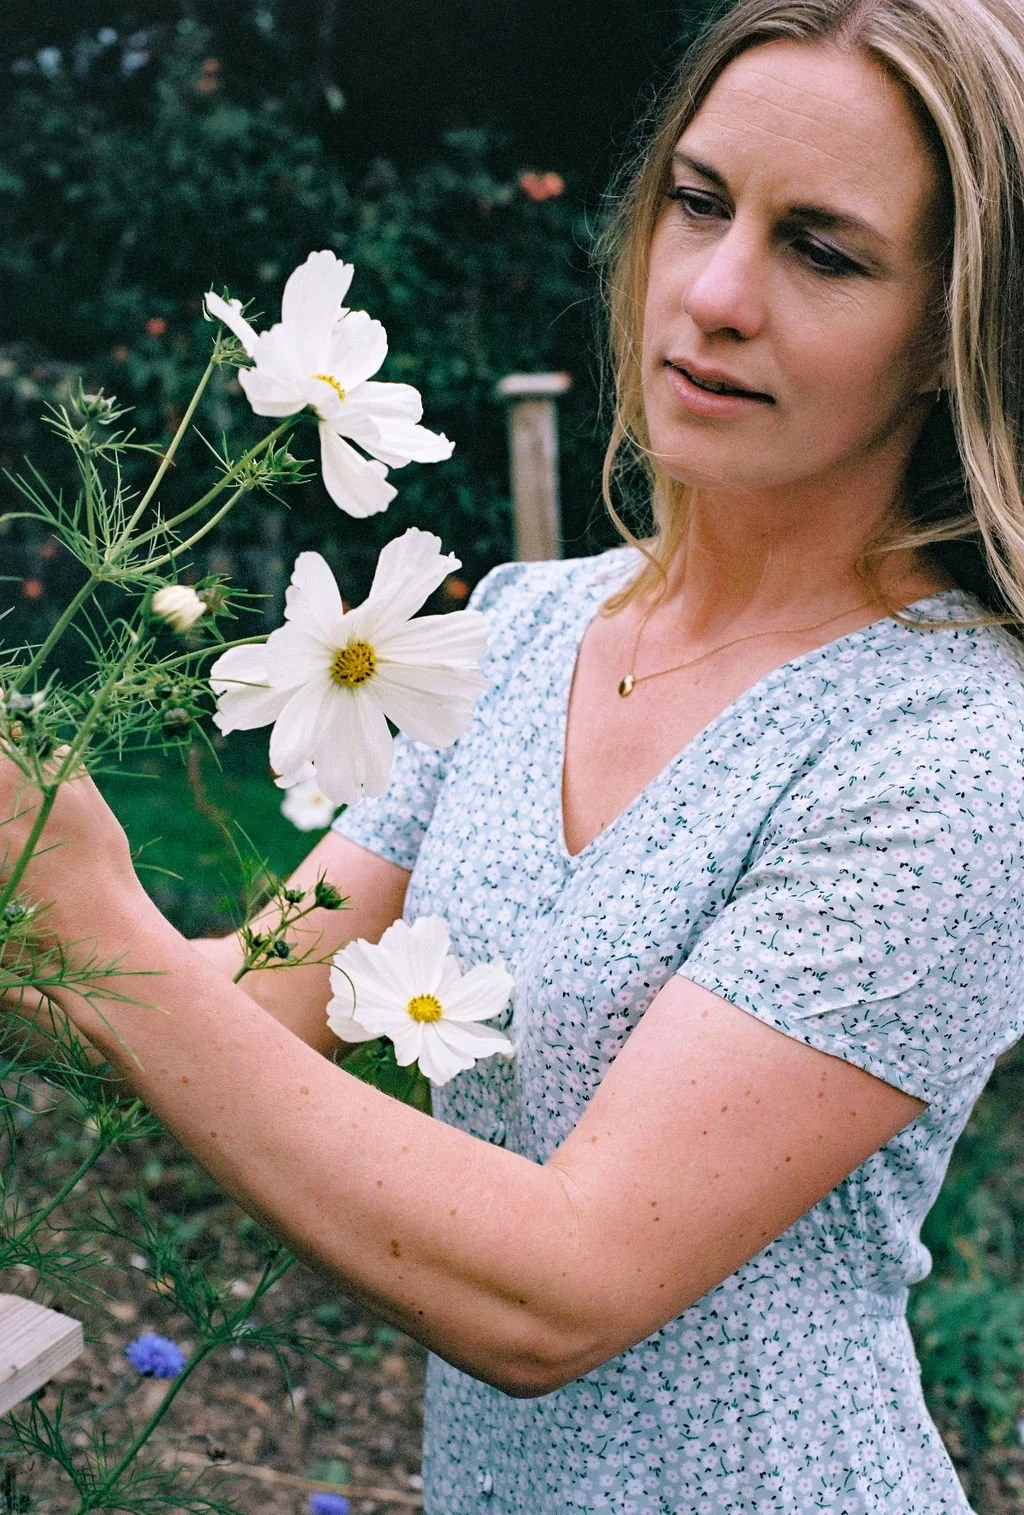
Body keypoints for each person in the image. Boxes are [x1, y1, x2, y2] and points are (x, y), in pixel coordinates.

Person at [4, 0, 1024, 1509]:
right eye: (697, 201)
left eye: (824, 248)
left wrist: (102, 922)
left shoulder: (956, 753)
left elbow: (561, 1285)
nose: (717, 291)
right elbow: (248, 1012)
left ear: (955, 331)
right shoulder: (525, 632)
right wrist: (31, 897)